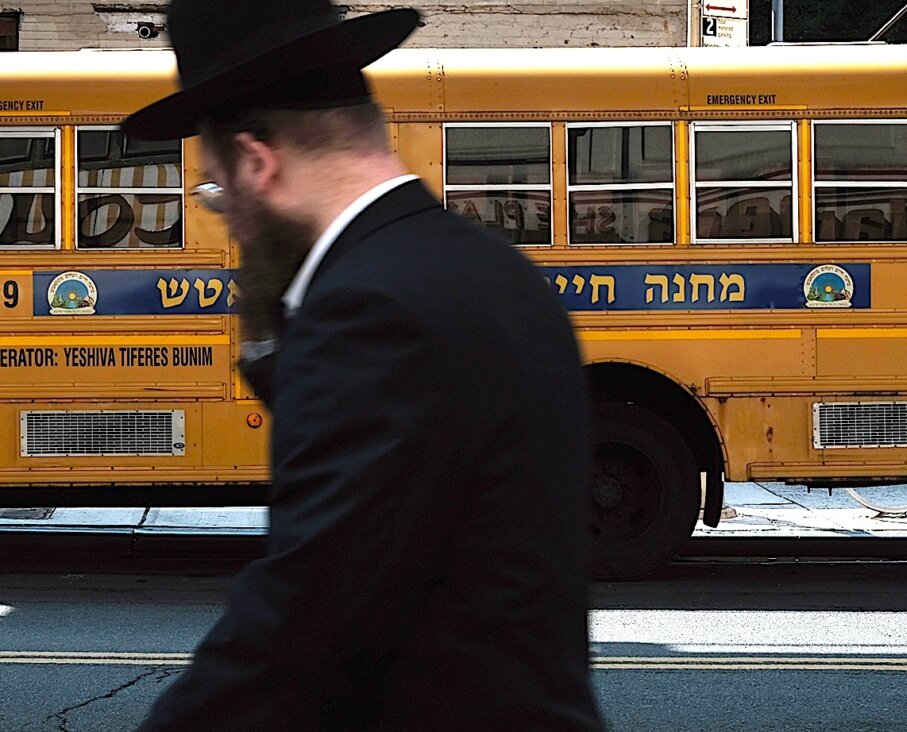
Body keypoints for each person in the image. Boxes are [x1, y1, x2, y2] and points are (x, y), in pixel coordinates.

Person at [124, 1, 602, 729]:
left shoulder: (366, 311)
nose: (225, 215)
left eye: (217, 192)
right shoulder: (496, 269)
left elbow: (299, 632)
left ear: (258, 162)